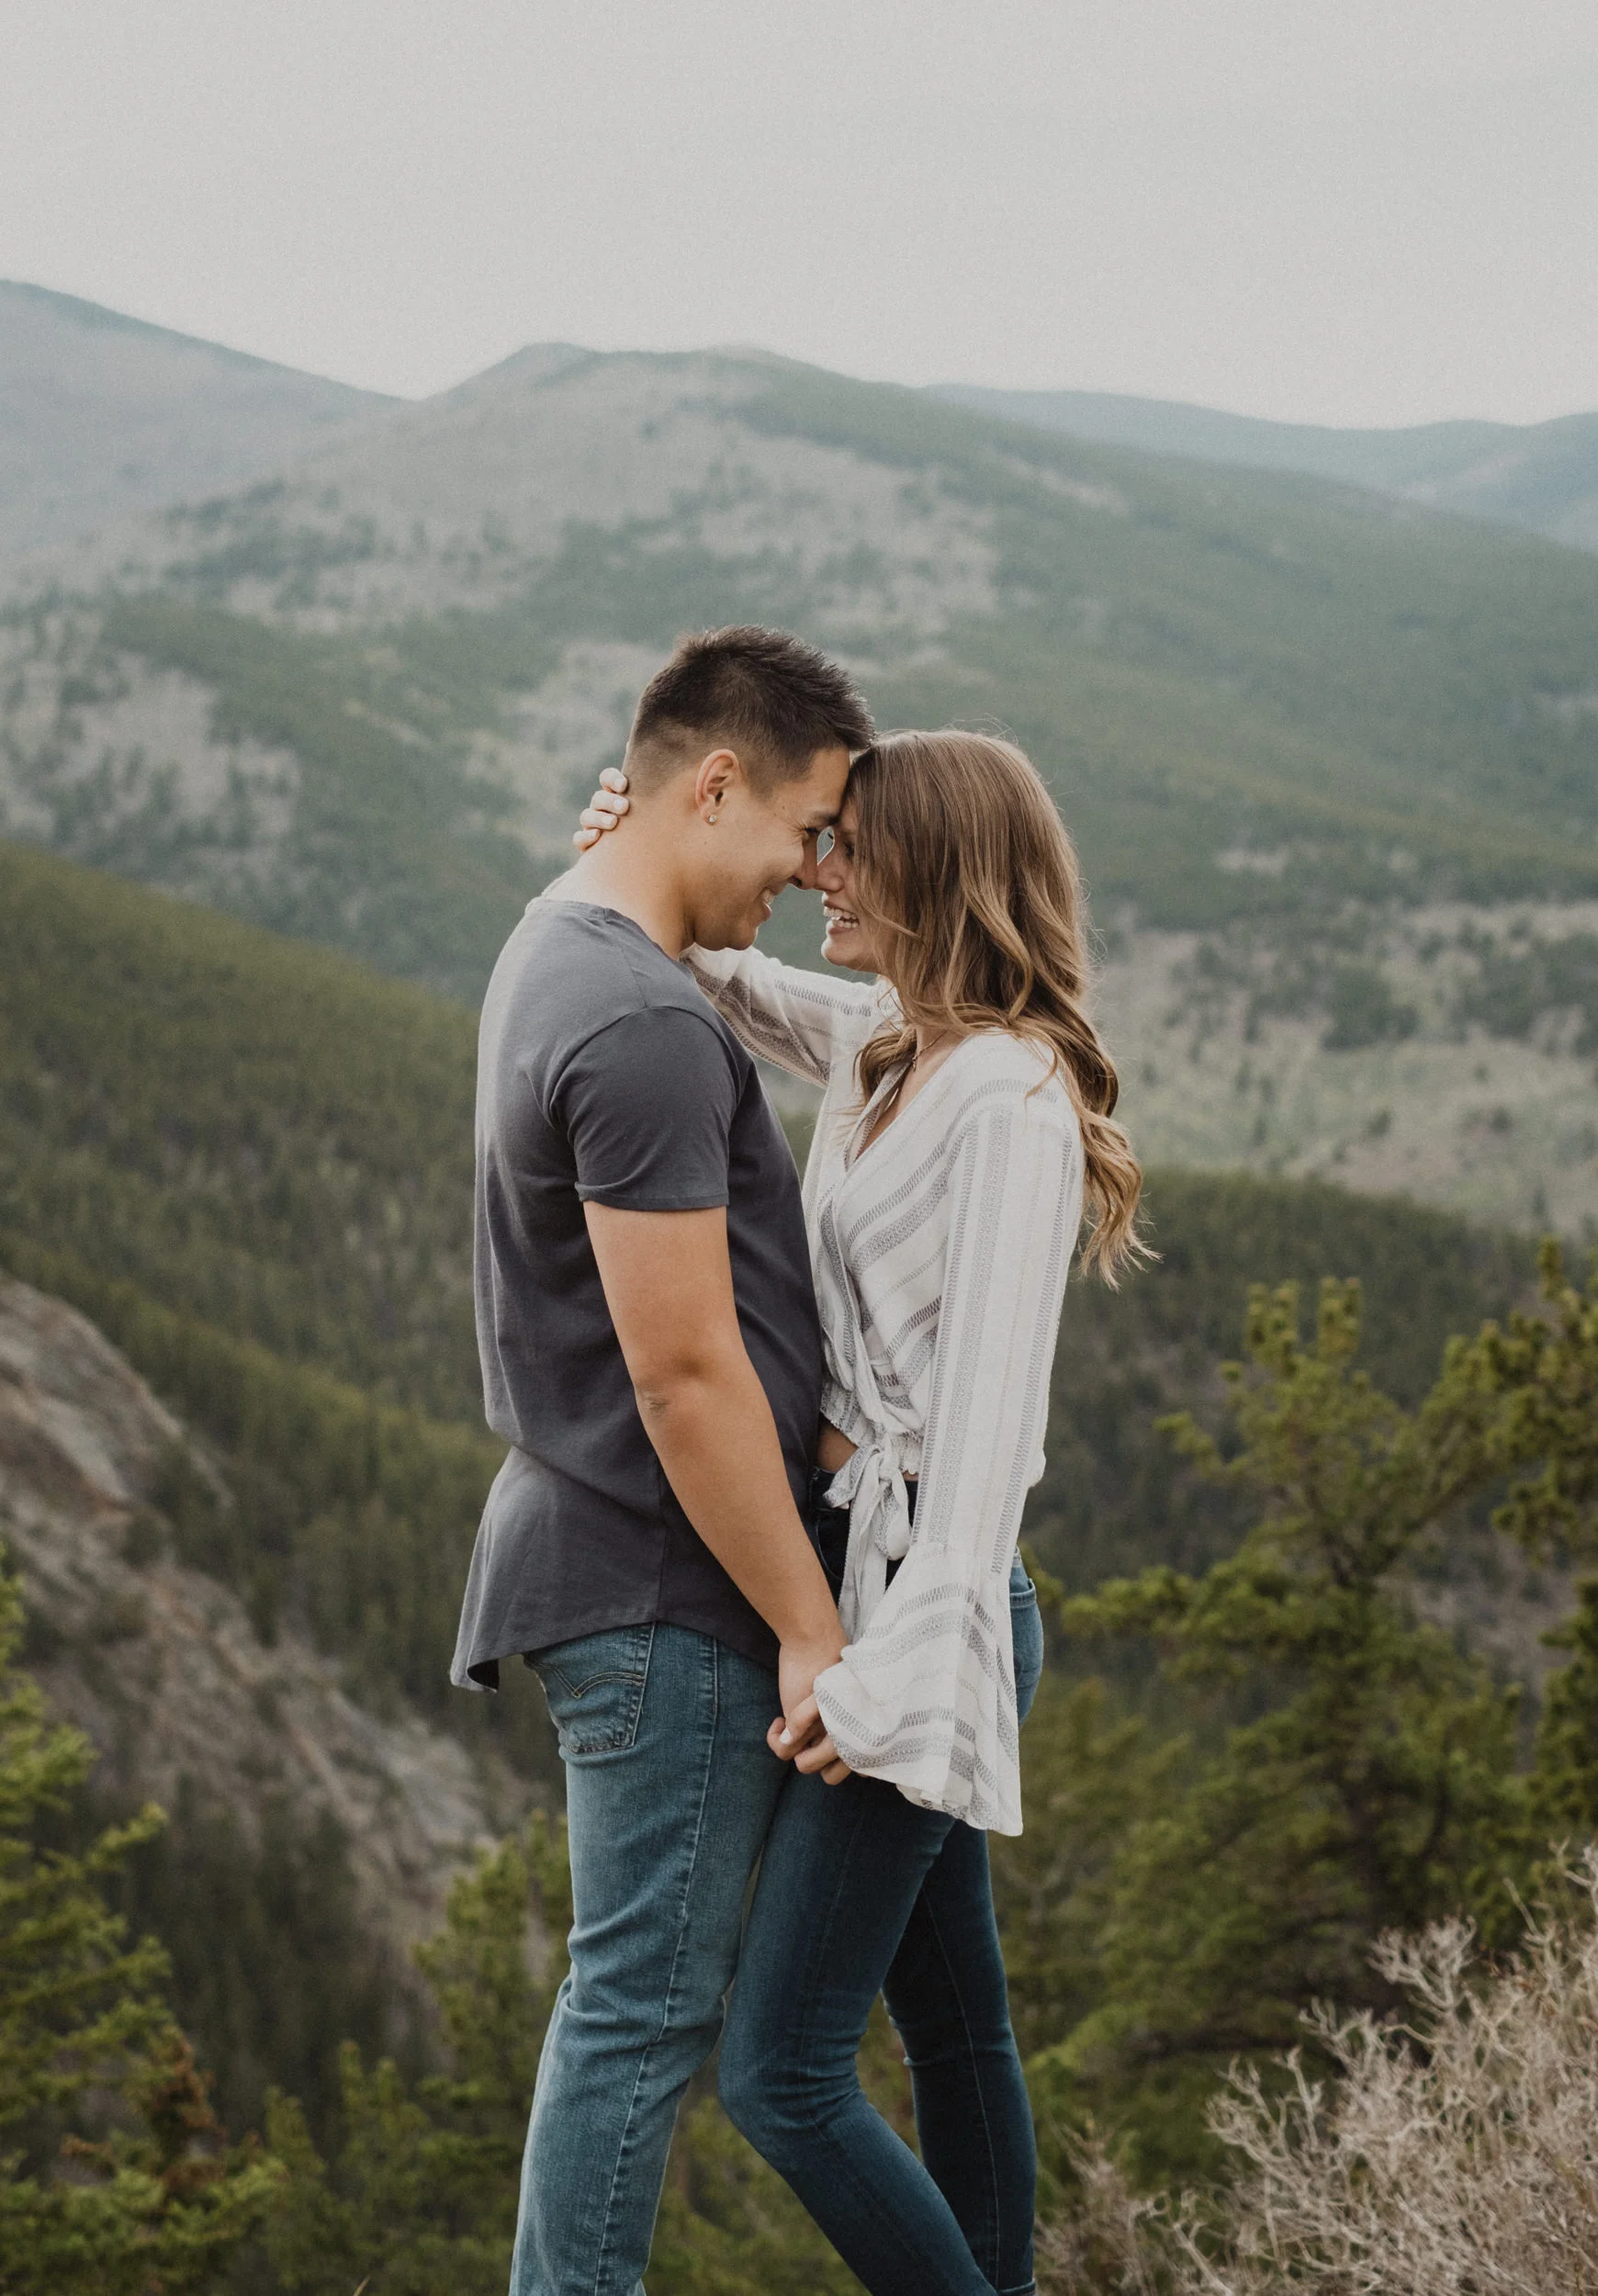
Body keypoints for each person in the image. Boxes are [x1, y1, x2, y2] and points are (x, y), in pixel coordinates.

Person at [577, 728, 1144, 2296]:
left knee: (782, 2072)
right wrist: (631, 858)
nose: (817, 870)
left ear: (934, 869)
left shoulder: (1014, 1101)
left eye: (847, 847)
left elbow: (987, 1435)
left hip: (928, 1607)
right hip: (858, 1567)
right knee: (957, 2028)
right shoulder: (906, 1040)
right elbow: (726, 984)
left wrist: (893, 1675)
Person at [452, 625, 873, 2296]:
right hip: (662, 1581)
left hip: (620, 1560)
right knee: (638, 2016)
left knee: (632, 2006)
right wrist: (809, 1625)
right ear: (712, 784)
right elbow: (687, 1373)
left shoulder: (572, 947)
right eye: (801, 831)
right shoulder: (631, 1019)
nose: (807, 869)